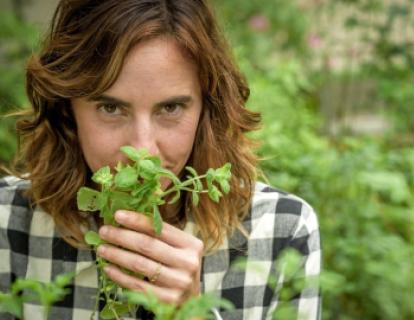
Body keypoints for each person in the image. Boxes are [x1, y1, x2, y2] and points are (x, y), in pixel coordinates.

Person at [0, 0, 321, 319]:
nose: (144, 151)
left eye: (170, 109)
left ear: (207, 110)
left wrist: (192, 314)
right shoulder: (8, 223)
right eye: (110, 108)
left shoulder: (281, 231)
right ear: (67, 109)